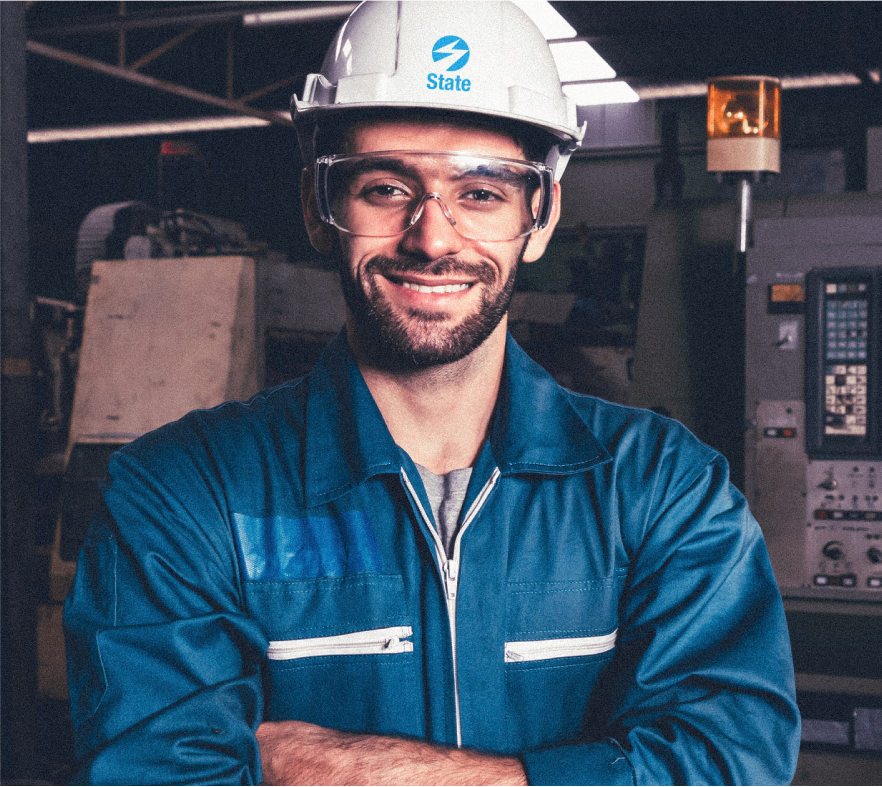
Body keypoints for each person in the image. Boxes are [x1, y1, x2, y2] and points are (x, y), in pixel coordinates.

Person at [63, 0, 800, 783]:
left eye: (480, 193)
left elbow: (733, 756)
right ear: (322, 210)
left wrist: (351, 768)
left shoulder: (658, 486)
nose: (433, 237)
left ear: (540, 216)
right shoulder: (186, 491)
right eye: (385, 188)